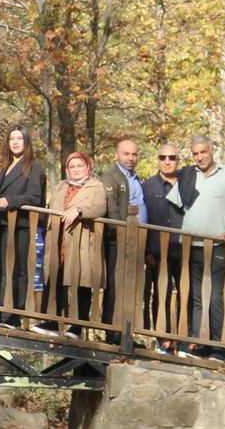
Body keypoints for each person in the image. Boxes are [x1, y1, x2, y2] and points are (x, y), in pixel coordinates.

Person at [181, 135, 225, 356]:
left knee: (217, 297)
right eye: (195, 153)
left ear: (212, 151)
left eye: (203, 152)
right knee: (195, 296)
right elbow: (174, 206)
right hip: (191, 246)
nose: (200, 157)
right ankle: (196, 345)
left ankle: (217, 348)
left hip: (219, 246)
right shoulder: (189, 175)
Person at [46, 150, 108, 335]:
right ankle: (52, 322)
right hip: (59, 238)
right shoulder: (60, 186)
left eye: (80, 165)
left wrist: (80, 210)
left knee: (82, 281)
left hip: (82, 240)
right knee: (55, 278)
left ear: (88, 166)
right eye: (71, 166)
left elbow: (101, 208)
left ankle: (78, 325)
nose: (76, 170)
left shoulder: (96, 186)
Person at [0, 126, 47, 314]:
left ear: (27, 142)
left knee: (17, 270)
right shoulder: (5, 166)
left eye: (19, 138)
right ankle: (3, 311)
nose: (15, 142)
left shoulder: (33, 166)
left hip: (21, 225)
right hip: (2, 224)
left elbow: (34, 196)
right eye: (12, 138)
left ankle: (14, 314)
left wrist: (11, 201)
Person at [140, 145, 192, 336]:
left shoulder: (188, 185)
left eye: (172, 157)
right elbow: (142, 220)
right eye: (163, 157)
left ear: (178, 159)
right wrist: (146, 250)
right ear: (158, 160)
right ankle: (163, 339)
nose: (167, 161)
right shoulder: (147, 186)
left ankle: (186, 340)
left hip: (185, 250)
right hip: (158, 252)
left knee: (187, 295)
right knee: (161, 295)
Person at [98, 138, 148, 323]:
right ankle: (112, 329)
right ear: (116, 155)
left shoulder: (134, 178)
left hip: (136, 242)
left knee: (130, 286)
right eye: (126, 154)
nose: (131, 158)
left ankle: (126, 329)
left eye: (134, 154)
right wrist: (122, 234)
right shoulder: (110, 177)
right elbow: (111, 209)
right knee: (115, 284)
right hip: (118, 240)